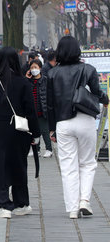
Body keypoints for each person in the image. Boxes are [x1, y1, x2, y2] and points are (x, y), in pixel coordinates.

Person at [47, 36, 109, 219]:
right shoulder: (88, 69)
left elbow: (48, 104)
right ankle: (85, 201)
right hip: (85, 120)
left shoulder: (51, 74)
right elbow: (97, 93)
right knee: (88, 162)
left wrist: (51, 129)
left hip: (63, 123)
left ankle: (73, 209)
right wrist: (105, 101)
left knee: (68, 166)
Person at [0, 47, 41, 219]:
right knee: (18, 165)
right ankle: (21, 203)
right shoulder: (23, 83)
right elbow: (30, 110)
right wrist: (35, 133)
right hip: (19, 131)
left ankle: (4, 204)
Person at [25, 59, 52, 158]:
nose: (33, 69)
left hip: (43, 110)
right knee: (33, 132)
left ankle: (49, 149)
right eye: (31, 67)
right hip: (32, 111)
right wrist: (26, 78)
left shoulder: (45, 80)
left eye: (35, 67)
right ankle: (36, 150)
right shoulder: (29, 81)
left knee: (45, 131)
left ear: (40, 68)